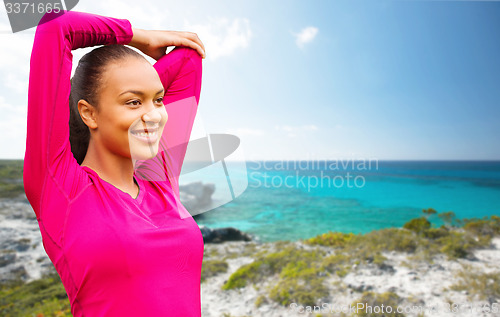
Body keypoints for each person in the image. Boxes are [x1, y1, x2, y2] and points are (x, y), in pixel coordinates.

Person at [23, 9, 206, 316]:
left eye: (158, 100)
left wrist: (137, 80)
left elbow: (189, 59)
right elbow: (57, 28)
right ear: (89, 113)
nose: (155, 116)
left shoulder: (159, 176)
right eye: (133, 102)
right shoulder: (60, 187)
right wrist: (141, 37)